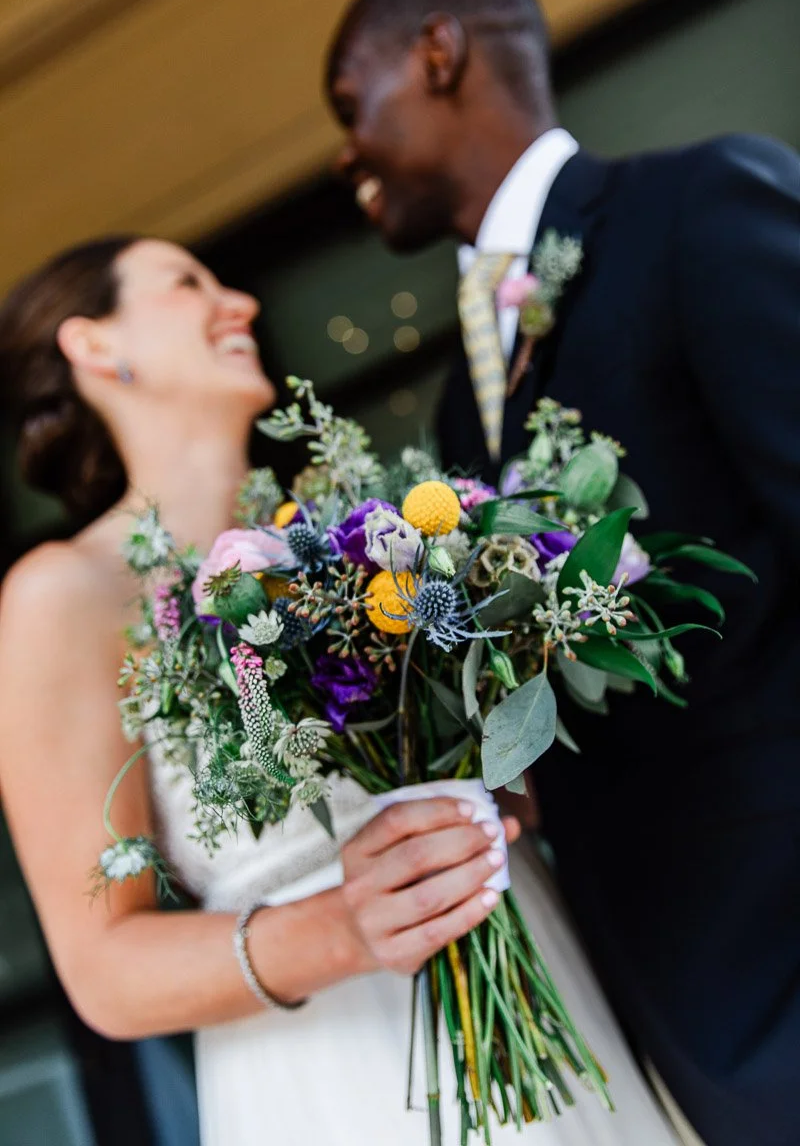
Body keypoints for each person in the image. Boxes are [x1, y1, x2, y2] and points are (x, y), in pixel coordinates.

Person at [0, 236, 678, 1145]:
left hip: (533, 982)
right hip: (339, 1071)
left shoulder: (356, 541)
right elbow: (103, 972)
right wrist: (346, 929)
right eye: (188, 284)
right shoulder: (62, 595)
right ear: (92, 346)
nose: (239, 302)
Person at [324, 0, 800, 1145]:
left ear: (440, 53)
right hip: (658, 956)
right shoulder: (451, 408)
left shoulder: (694, 205)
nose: (344, 151)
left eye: (349, 104)